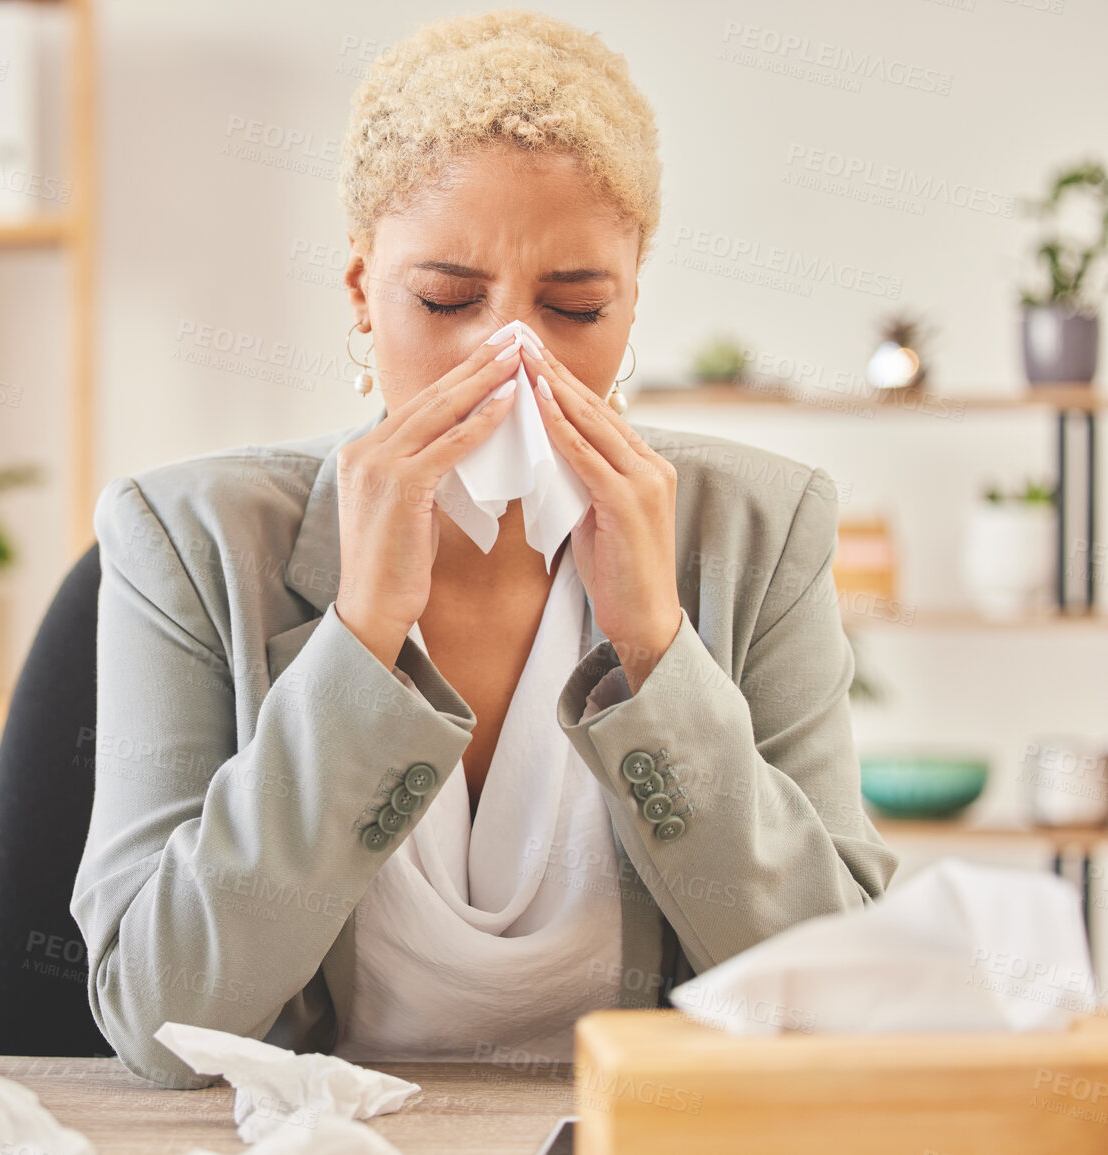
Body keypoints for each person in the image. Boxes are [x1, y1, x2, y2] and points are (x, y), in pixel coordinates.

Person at [71, 9, 897, 1088]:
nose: (513, 360)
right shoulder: (185, 539)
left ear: (633, 298)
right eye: (448, 299)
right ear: (364, 291)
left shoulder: (759, 527)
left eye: (575, 306)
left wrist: (658, 653)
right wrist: (358, 644)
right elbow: (161, 1018)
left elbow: (836, 1002)